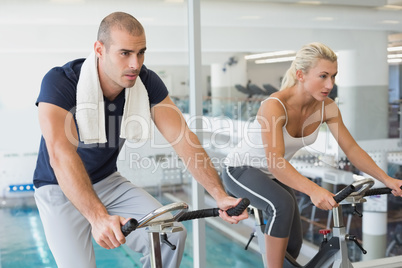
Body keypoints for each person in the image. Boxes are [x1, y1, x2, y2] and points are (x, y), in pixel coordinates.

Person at [33, 11, 247, 268]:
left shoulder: (145, 82)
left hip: (107, 181)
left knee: (170, 234)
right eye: (125, 53)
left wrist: (219, 195)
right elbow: (60, 153)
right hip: (58, 189)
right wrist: (99, 218)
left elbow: (183, 139)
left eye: (141, 52)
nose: (135, 63)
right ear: (99, 49)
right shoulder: (61, 81)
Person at [222, 42, 402, 268]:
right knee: (282, 205)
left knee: (294, 244)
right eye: (323, 76)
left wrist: (387, 179)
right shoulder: (275, 106)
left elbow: (352, 150)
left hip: (272, 175)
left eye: (334, 76)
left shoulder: (327, 107)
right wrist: (313, 189)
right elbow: (275, 161)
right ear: (300, 75)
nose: (330, 84)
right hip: (240, 170)